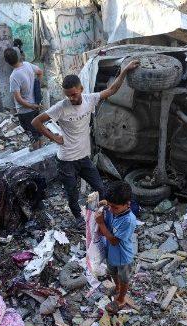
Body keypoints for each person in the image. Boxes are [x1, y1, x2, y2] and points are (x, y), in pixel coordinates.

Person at [31, 60, 140, 227]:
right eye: (68, 95)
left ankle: (101, 213)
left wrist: (124, 71)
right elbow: (36, 122)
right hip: (66, 160)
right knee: (72, 193)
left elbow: (112, 90)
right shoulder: (61, 107)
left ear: (81, 89)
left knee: (100, 188)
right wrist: (54, 138)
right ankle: (78, 218)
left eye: (74, 94)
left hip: (83, 158)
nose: (71, 98)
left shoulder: (90, 99)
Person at [96, 181, 137, 314]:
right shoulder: (112, 209)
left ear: (127, 204)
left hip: (123, 257)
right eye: (110, 205)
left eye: (115, 207)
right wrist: (105, 204)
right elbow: (108, 205)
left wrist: (101, 223)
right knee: (113, 272)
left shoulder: (128, 220)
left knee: (124, 278)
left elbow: (114, 241)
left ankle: (121, 299)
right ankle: (117, 288)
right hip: (111, 253)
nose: (111, 209)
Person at [4, 47, 43, 148]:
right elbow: (40, 72)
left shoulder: (14, 76)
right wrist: (37, 88)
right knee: (39, 132)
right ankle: (42, 152)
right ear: (18, 56)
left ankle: (37, 155)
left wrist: (30, 106)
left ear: (7, 62)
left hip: (25, 111)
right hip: (35, 105)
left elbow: (18, 99)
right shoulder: (27, 65)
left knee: (32, 135)